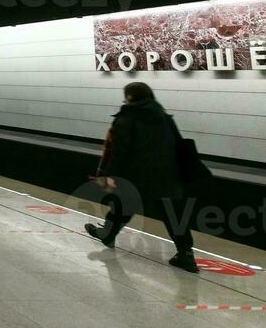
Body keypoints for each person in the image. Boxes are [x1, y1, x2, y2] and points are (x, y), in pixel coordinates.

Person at [85, 82, 199, 273]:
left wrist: (109, 176)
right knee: (173, 214)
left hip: (136, 175)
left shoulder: (127, 118)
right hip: (167, 174)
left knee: (123, 206)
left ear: (130, 97)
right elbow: (179, 144)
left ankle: (107, 233)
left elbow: (119, 152)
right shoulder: (163, 116)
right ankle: (186, 254)